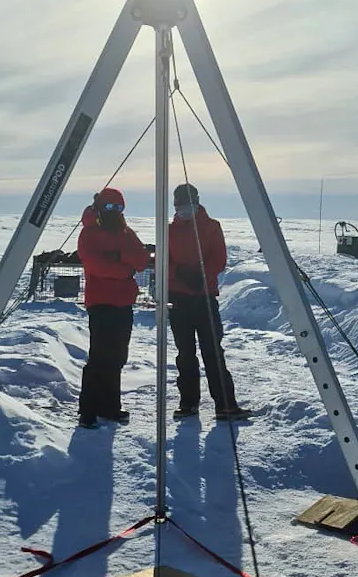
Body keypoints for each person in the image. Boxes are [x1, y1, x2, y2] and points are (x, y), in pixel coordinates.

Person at [168, 183, 250, 421]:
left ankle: (225, 405)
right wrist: (179, 272)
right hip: (179, 300)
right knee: (185, 353)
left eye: (188, 205)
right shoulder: (168, 231)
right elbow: (162, 262)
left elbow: (219, 258)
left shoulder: (211, 226)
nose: (184, 210)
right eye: (180, 207)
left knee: (212, 351)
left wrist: (201, 276)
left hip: (204, 298)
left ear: (197, 202)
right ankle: (188, 404)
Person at [76, 187, 150, 429]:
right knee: (100, 356)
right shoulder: (89, 234)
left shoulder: (126, 233)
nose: (115, 211)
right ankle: (88, 410)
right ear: (100, 207)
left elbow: (142, 260)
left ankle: (110, 407)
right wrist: (124, 267)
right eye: (110, 206)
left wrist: (117, 257)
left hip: (123, 302)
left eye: (119, 207)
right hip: (100, 302)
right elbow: (96, 265)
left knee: (118, 356)